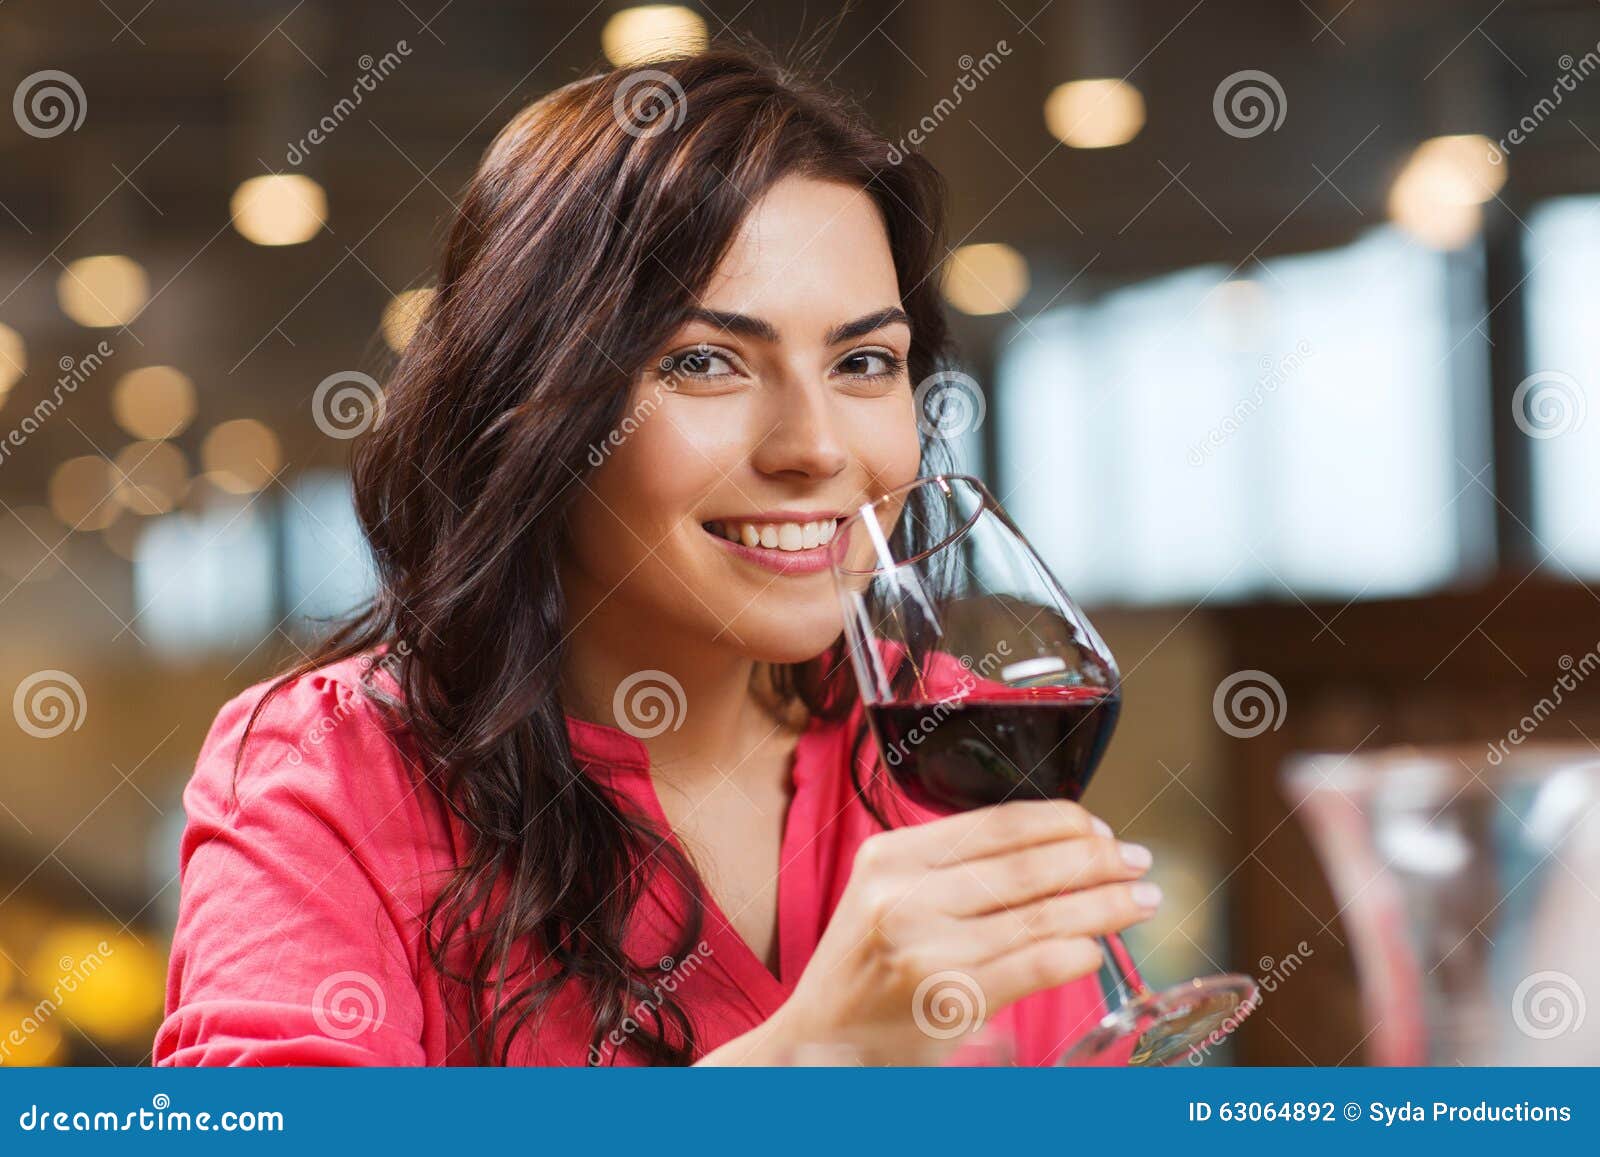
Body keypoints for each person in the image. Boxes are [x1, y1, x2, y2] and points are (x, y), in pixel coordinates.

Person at [154, 45, 1159, 1067]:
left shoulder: (946, 741)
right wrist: (804, 1060)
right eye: (704, 361)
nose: (814, 446)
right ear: (525, 404)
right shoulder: (330, 773)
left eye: (863, 361)